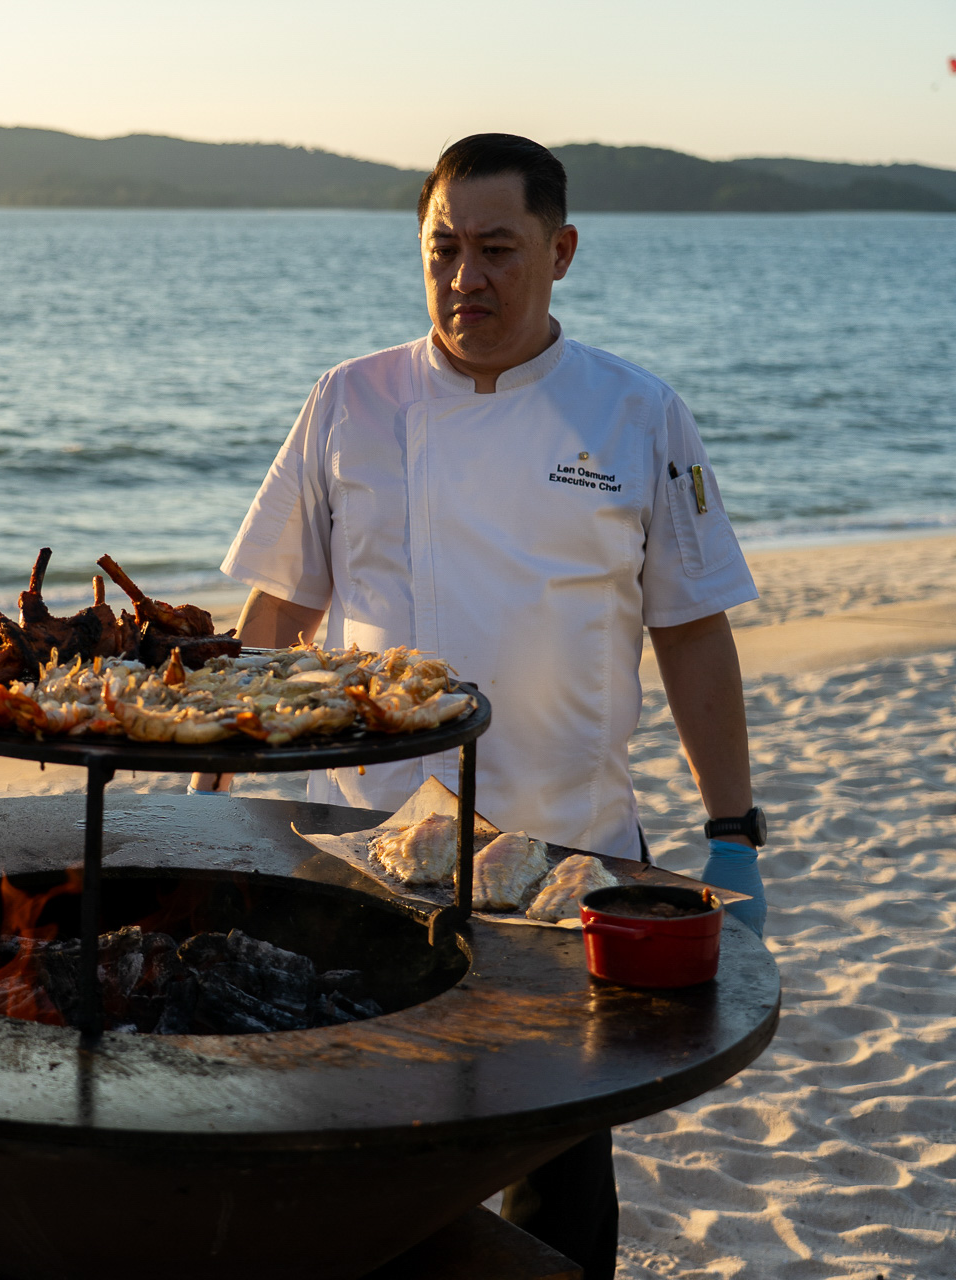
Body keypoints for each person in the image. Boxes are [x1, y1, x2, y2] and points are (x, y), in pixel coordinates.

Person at [193, 134, 769, 1278]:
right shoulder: (350, 398)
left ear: (559, 252)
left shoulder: (638, 413)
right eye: (443, 249)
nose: (467, 278)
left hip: (568, 850)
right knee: (350, 1136)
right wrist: (211, 788)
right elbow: (279, 618)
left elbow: (693, 630)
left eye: (498, 249)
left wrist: (734, 829)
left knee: (557, 1164)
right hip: (362, 847)